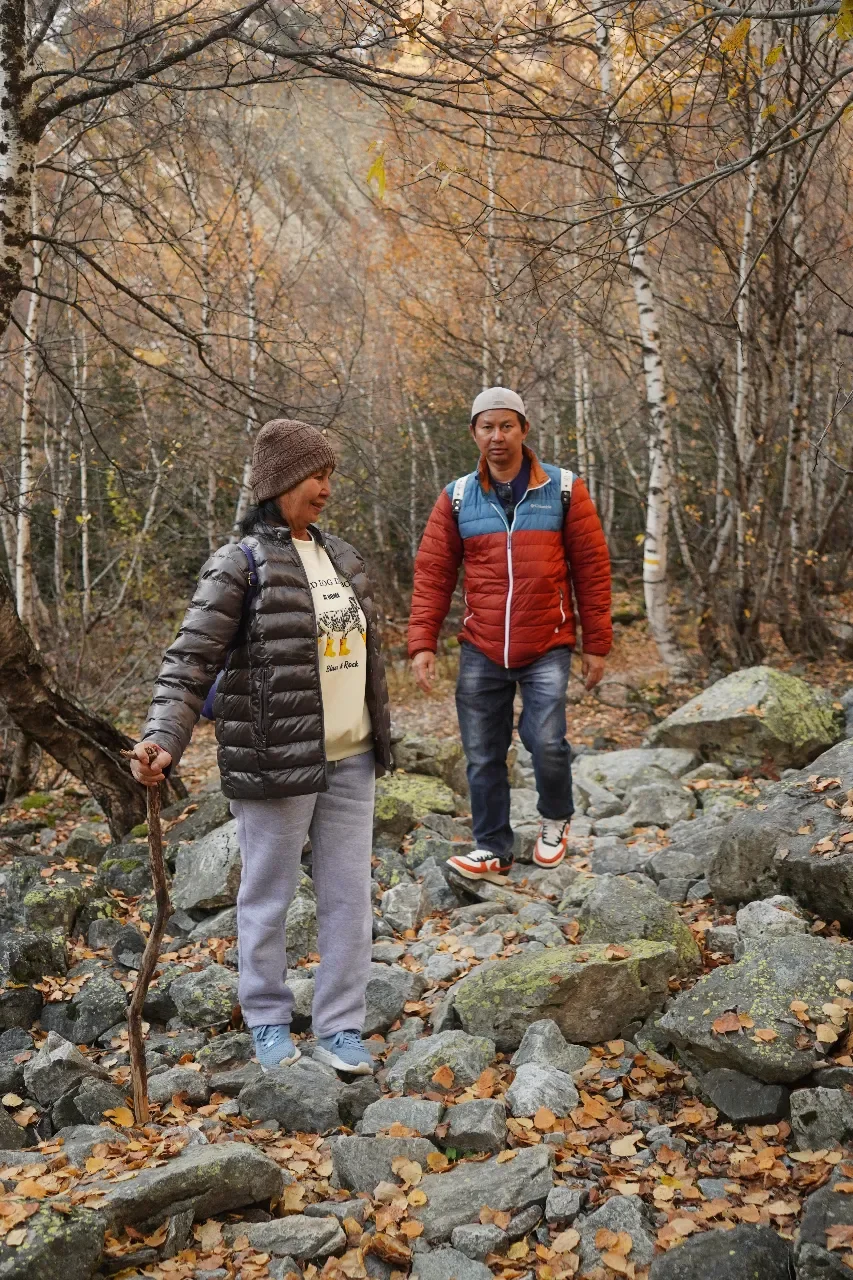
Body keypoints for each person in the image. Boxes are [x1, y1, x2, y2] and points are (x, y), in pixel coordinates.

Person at [130, 418, 392, 1073]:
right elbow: (190, 660)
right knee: (268, 896)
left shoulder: (345, 558)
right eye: (316, 475)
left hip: (351, 754)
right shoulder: (238, 561)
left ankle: (340, 1027)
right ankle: (269, 1021)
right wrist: (163, 736)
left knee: (347, 897)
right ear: (278, 481)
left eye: (331, 475)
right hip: (274, 756)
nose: (326, 488)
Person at [408, 387, 611, 881]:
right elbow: (433, 573)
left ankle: (555, 818)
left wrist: (597, 645)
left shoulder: (563, 489)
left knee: (546, 742)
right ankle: (492, 847)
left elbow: (592, 568)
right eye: (486, 427)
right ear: (474, 433)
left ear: (523, 429)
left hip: (548, 641)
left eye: (506, 426)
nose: (497, 437)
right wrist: (422, 642)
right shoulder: (457, 497)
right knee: (481, 753)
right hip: (482, 645)